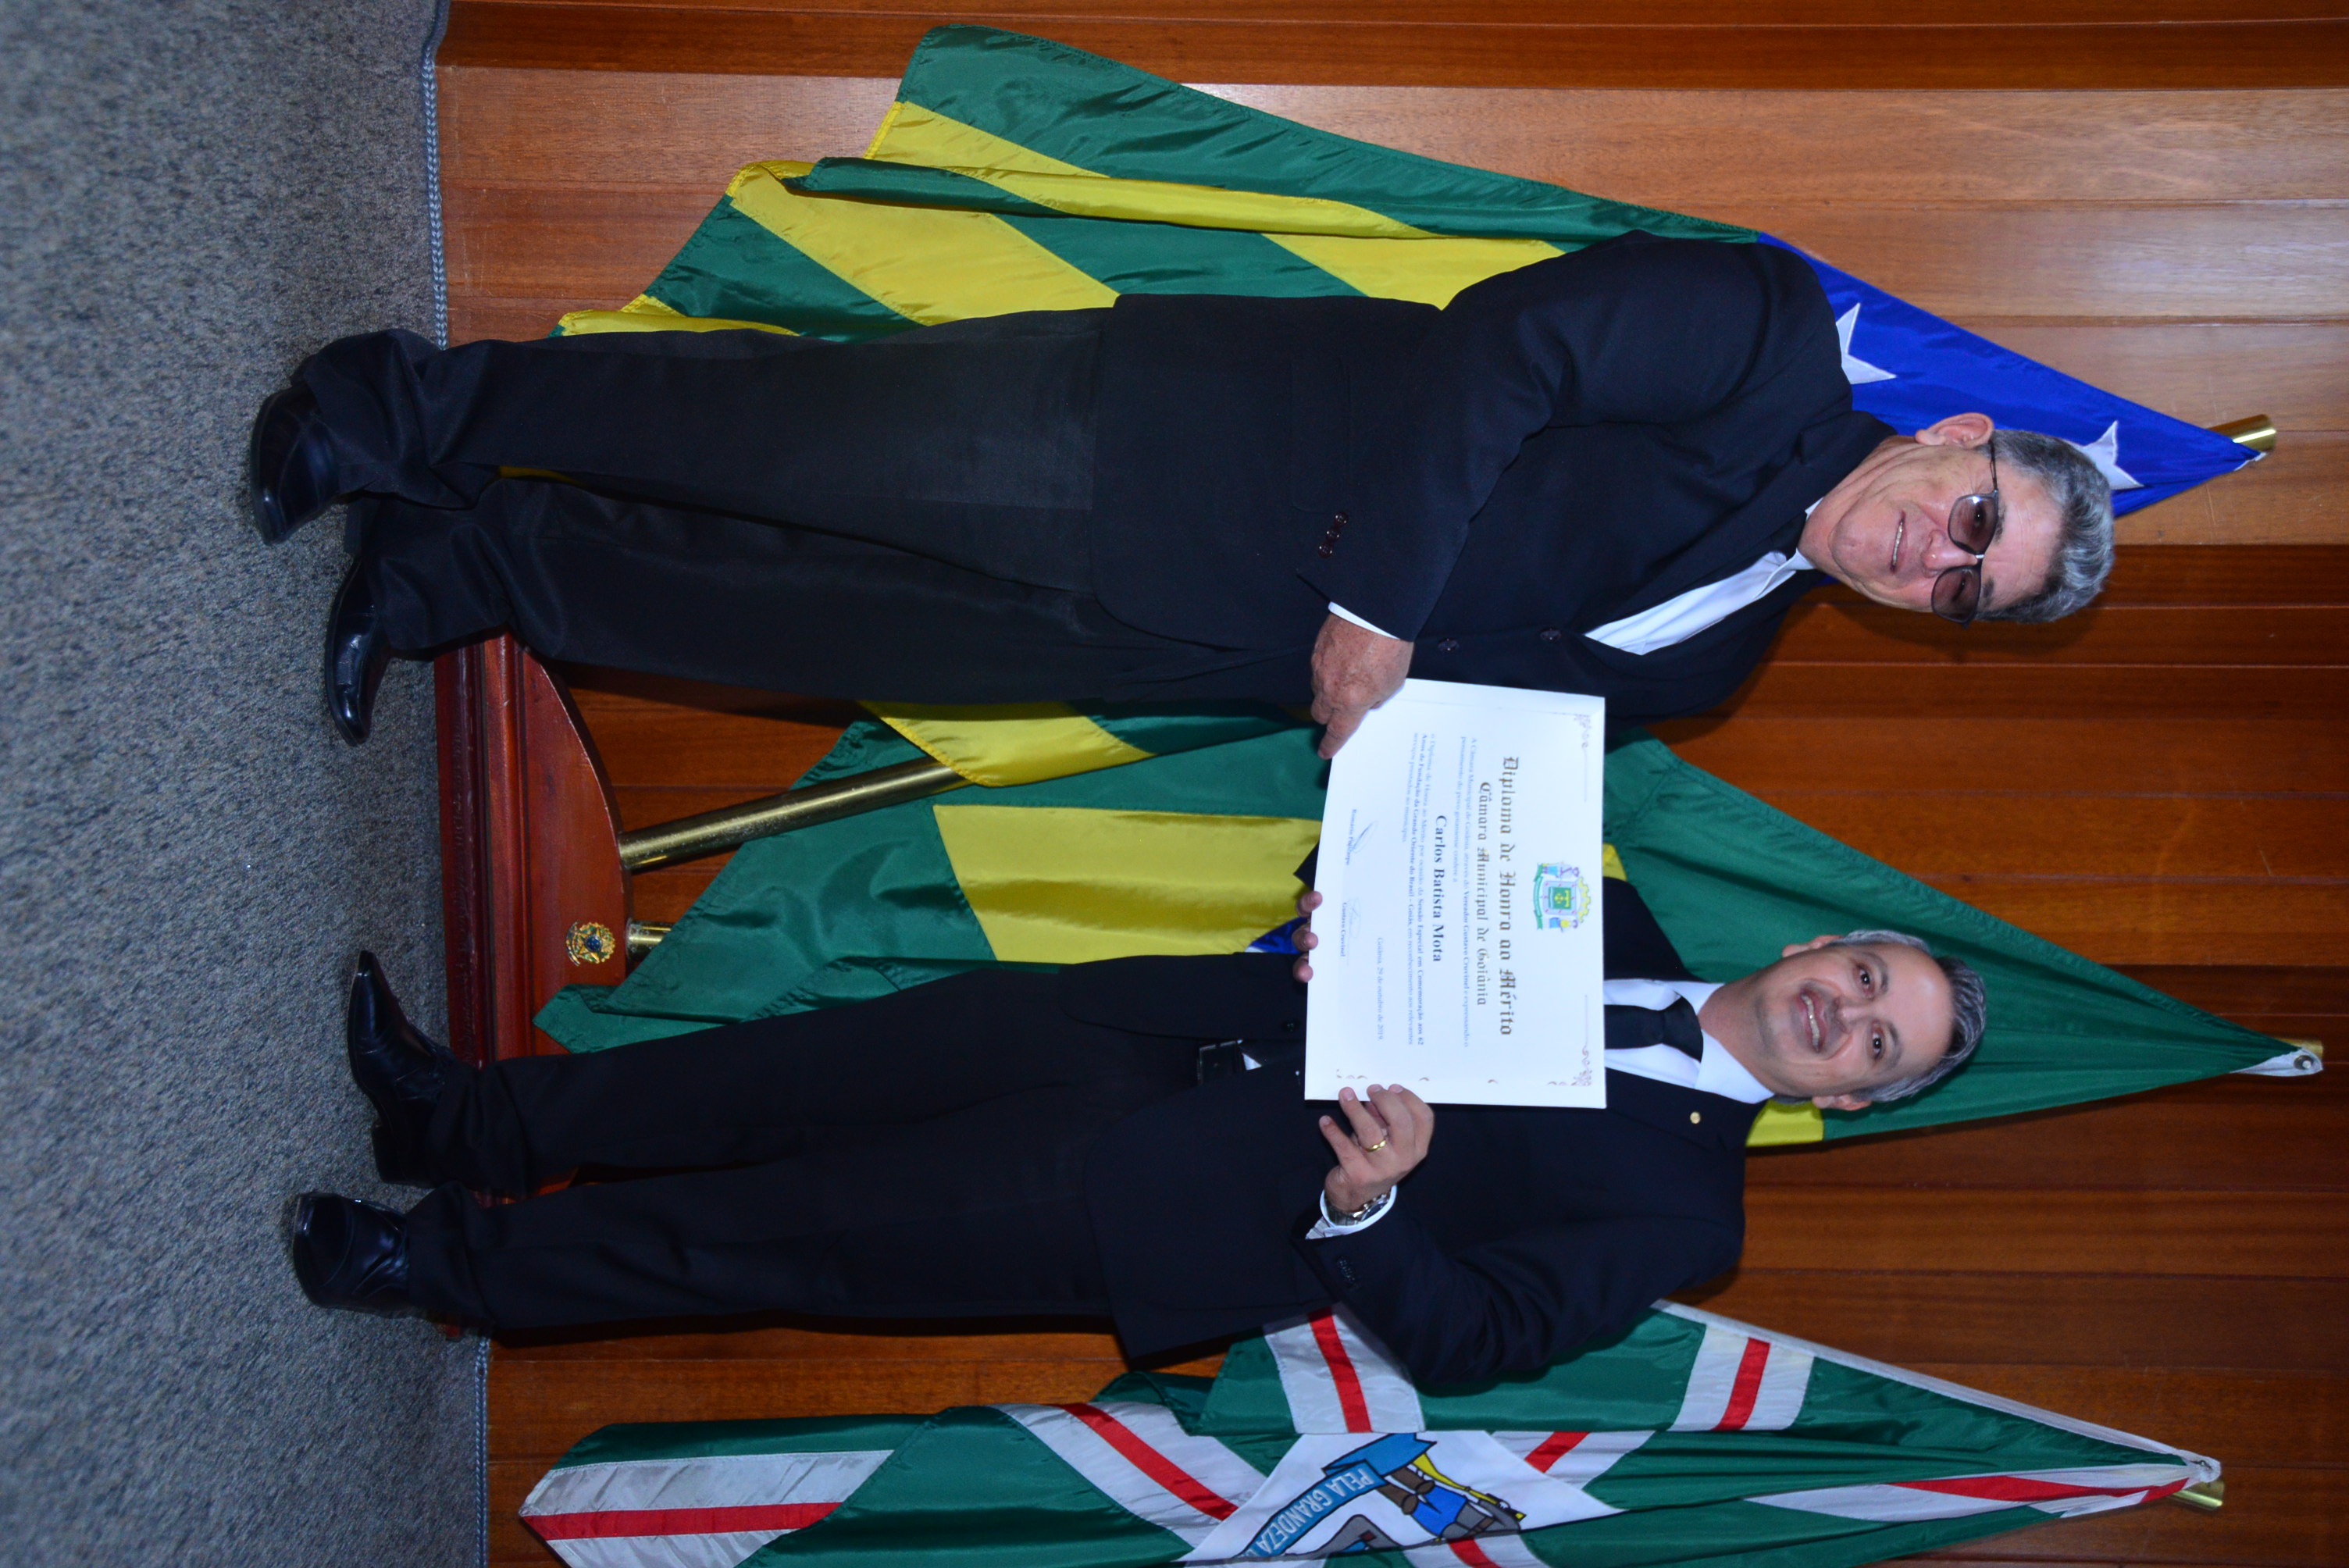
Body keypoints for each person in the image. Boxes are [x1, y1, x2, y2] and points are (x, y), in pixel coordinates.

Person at [249, 233, 2112, 750]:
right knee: (767, 435)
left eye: (1968, 589)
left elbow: (1450, 739)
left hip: (1165, 640)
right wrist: (1375, 608)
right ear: (1956, 439)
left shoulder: (1713, 676)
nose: (1929, 557)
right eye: (1973, 519)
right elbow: (1505, 349)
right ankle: (395, 407)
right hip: (1167, 437)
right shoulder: (1766, 339)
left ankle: (454, 574)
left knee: (776, 614)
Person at [289, 881, 1985, 1384]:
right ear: (1815, 943)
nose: (1844, 1012)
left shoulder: (1688, 1220)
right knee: (776, 1073)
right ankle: (463, 1115)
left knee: (770, 1231)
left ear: (1845, 1097)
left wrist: (1375, 1206)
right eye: (1862, 975)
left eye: (1876, 1041)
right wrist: (1333, 911)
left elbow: (1479, 1335)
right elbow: (1380, 858)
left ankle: (436, 1265)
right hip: (1141, 1022)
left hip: (1157, 1205)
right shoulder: (1591, 902)